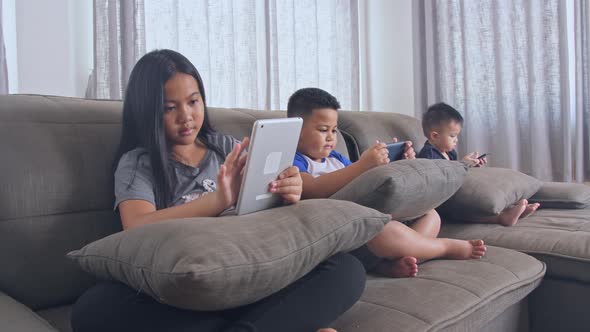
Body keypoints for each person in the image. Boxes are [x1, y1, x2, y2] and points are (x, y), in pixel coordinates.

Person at [71, 50, 366, 332]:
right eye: (169, 108)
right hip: (188, 289)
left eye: (193, 101)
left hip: (250, 271)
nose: (186, 116)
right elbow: (135, 225)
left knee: (346, 270)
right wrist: (217, 200)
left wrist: (288, 188)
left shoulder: (225, 148)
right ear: (146, 112)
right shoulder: (137, 163)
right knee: (94, 308)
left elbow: (263, 205)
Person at [287, 88, 486, 279]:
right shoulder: (294, 160)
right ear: (295, 130)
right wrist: (362, 165)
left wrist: (395, 163)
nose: (331, 137)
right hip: (354, 234)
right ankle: (444, 248)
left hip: (374, 219)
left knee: (430, 214)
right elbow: (312, 189)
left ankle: (394, 261)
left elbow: (363, 183)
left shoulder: (336, 158)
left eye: (334, 130)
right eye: (323, 130)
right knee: (386, 230)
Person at [417, 102, 540, 226]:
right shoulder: (428, 155)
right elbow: (440, 176)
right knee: (463, 209)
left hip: (453, 192)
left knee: (485, 196)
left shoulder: (449, 152)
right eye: (452, 136)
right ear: (435, 136)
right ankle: (502, 218)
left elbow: (454, 170)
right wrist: (462, 164)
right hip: (440, 202)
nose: (456, 140)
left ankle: (511, 209)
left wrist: (468, 164)